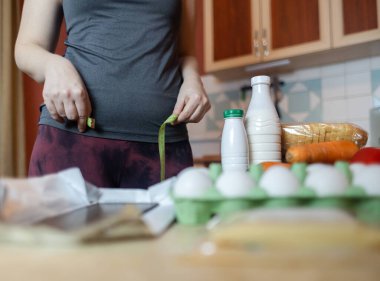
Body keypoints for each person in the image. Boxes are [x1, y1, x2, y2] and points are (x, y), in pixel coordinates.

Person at [15, 0, 210, 188]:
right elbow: (26, 48)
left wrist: (193, 79)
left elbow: (185, 53)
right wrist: (53, 65)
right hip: (72, 141)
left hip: (164, 146)